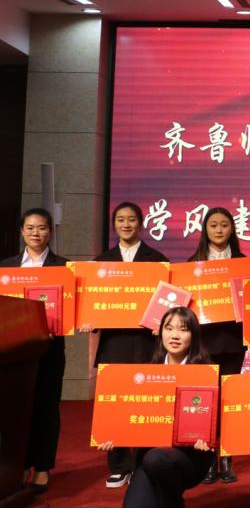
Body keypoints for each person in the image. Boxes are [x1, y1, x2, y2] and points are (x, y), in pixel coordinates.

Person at [90, 201, 170, 488]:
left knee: (147, 402)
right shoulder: (101, 262)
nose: (126, 224)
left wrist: (162, 321)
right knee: (116, 403)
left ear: (141, 223)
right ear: (114, 224)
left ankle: (144, 462)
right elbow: (92, 305)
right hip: (114, 343)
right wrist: (88, 318)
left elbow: (167, 302)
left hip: (147, 342)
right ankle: (119, 465)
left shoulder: (157, 260)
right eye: (121, 219)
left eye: (132, 219)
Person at [118, 307, 215, 508]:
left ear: (194, 335)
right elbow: (130, 417)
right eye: (169, 328)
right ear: (160, 332)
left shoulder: (206, 373)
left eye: (183, 329)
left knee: (156, 459)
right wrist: (114, 436)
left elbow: (216, 421)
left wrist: (208, 438)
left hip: (190, 456)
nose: (175, 335)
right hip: (149, 456)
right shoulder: (147, 373)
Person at [1, 208, 68, 493]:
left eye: (41, 228)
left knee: (47, 406)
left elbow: (72, 308)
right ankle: (19, 464)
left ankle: (42, 466)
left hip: (50, 348)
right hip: (14, 351)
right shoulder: (6, 267)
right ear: (21, 231)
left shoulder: (64, 267)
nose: (35, 233)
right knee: (15, 408)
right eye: (30, 228)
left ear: (50, 231)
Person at [186, 206, 247, 484]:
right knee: (207, 402)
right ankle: (208, 459)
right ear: (205, 229)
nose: (219, 230)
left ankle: (226, 457)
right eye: (213, 225)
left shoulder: (245, 264)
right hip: (204, 344)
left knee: (229, 402)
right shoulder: (192, 264)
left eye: (224, 225)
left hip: (233, 343)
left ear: (232, 228)